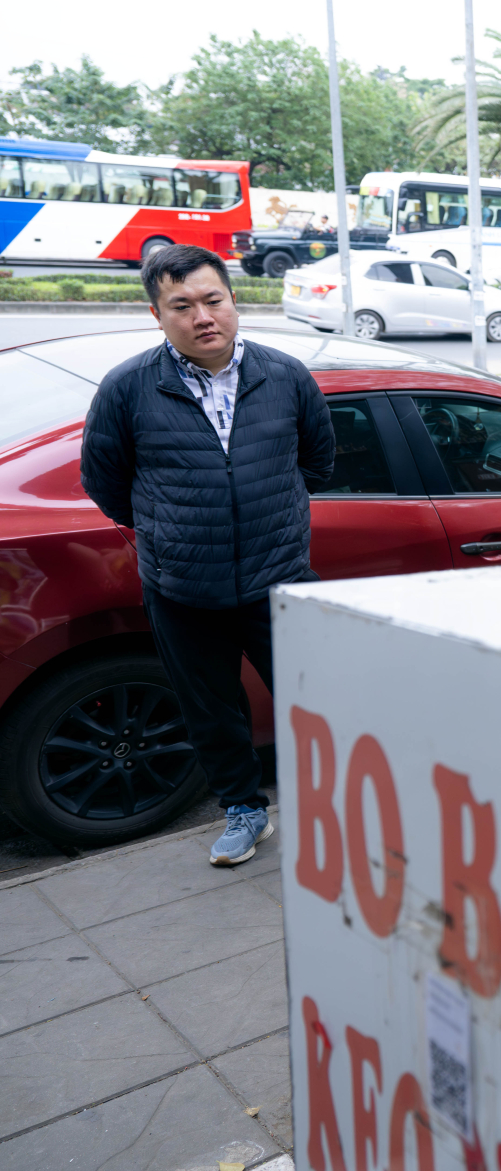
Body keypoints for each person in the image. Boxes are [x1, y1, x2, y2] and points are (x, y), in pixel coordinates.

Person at [80, 244, 335, 867]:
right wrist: (172, 533)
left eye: (213, 300)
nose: (203, 317)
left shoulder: (285, 376)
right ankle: (245, 812)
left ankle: (334, 805)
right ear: (157, 314)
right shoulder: (127, 388)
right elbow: (104, 481)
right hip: (183, 589)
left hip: (280, 579)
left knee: (318, 697)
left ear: (233, 299)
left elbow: (318, 463)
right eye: (182, 306)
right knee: (213, 711)